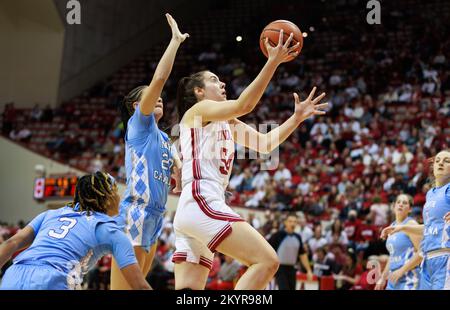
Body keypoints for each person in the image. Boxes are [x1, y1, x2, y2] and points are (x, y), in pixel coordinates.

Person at [172, 30, 328, 290]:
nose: (221, 84)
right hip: (202, 200)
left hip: (196, 208)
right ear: (199, 91)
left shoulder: (226, 121)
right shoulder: (198, 111)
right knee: (267, 261)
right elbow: (245, 105)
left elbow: (265, 144)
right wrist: (272, 61)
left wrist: (296, 119)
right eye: (214, 80)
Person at [111, 13, 187, 289]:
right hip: (136, 212)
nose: (160, 100)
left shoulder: (164, 137)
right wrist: (175, 42)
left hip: (156, 215)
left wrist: (177, 170)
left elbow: (175, 158)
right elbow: (161, 77)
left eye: (162, 100)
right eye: (153, 96)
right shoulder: (138, 126)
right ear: (136, 106)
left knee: (139, 285)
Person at [0, 172, 150, 290]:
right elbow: (140, 286)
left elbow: (11, 242)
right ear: (108, 197)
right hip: (51, 280)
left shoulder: (50, 214)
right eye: (116, 191)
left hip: (13, 275)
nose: (119, 197)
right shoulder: (109, 229)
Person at [381, 150, 450, 290]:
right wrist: (401, 228)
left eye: (446, 161)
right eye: (437, 160)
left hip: (445, 257)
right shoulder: (431, 194)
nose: (441, 163)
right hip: (427, 260)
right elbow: (429, 227)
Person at [376, 194, 421, 290]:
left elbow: (421, 253)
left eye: (404, 203)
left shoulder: (411, 225)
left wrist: (401, 271)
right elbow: (392, 256)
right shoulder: (392, 226)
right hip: (393, 278)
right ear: (394, 206)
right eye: (398, 202)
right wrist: (383, 278)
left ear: (410, 209)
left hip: (409, 277)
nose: (401, 204)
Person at [269, 213, 313, 290]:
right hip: (280, 268)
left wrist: (308, 270)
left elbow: (302, 255)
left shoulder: (298, 237)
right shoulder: (278, 235)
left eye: (294, 222)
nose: (292, 223)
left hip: (292, 269)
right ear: (285, 222)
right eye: (290, 221)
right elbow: (268, 251)